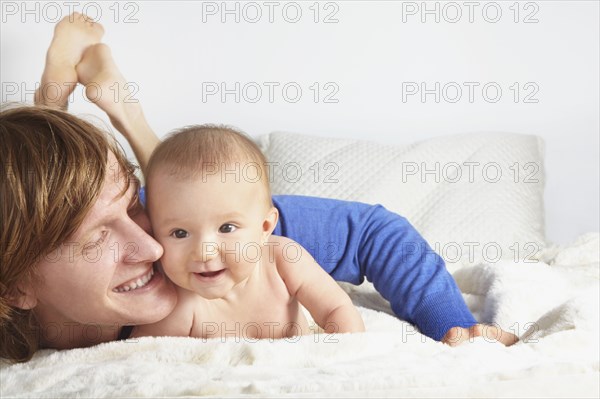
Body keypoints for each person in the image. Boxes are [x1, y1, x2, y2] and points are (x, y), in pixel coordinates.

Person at [0, 13, 517, 363]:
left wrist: (452, 326)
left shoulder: (215, 233)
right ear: (13, 289)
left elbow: (375, 233)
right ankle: (58, 106)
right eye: (94, 238)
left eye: (132, 204)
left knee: (179, 190)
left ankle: (112, 109)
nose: (155, 245)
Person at [131, 126, 365, 339]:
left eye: (227, 228)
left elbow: (337, 309)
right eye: (180, 233)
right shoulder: (174, 305)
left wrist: (343, 352)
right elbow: (150, 361)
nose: (204, 251)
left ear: (265, 227)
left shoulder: (283, 259)